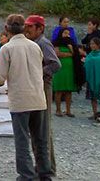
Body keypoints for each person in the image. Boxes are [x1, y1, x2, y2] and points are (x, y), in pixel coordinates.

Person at [0, 14, 51, 181]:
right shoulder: (35, 47)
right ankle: (45, 173)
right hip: (39, 99)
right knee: (40, 140)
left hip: (20, 101)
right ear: (24, 28)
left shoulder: (7, 49)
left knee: (22, 141)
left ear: (6, 29)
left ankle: (26, 175)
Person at [24, 15, 61, 176]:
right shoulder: (33, 43)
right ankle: (41, 165)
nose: (27, 29)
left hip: (43, 86)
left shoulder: (43, 43)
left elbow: (55, 64)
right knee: (36, 128)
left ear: (40, 28)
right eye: (26, 26)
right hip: (36, 87)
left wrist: (38, 73)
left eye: (31, 27)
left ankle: (48, 168)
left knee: (43, 128)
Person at [52, 28, 84, 117]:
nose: (67, 35)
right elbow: (58, 54)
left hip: (70, 69)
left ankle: (68, 110)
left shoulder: (71, 44)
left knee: (68, 90)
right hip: (60, 69)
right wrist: (70, 54)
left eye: (68, 33)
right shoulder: (56, 43)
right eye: (65, 33)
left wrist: (71, 49)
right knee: (59, 90)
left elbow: (76, 53)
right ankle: (58, 110)